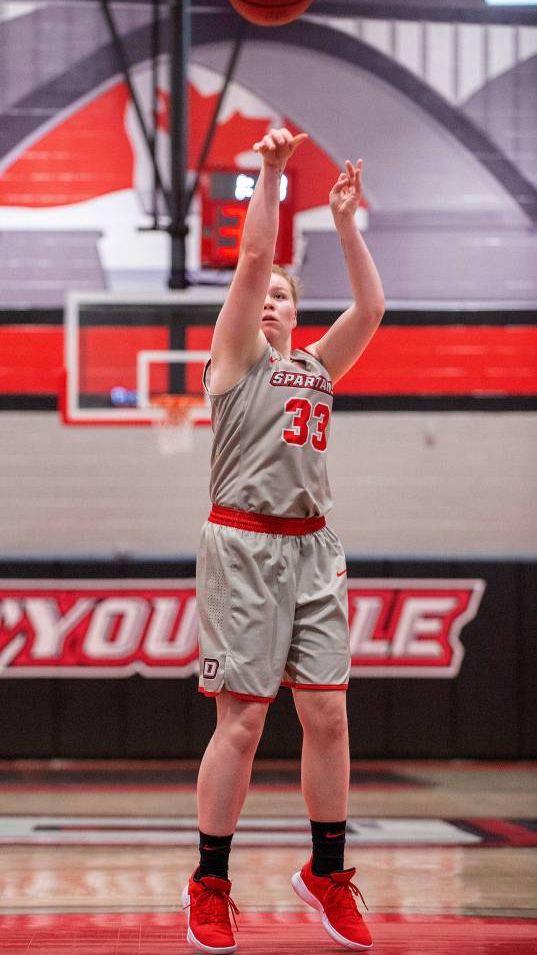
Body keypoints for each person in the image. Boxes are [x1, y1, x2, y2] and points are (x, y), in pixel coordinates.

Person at [183, 128, 385, 953]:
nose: (269, 300)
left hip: (312, 547)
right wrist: (269, 173)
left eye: (282, 298)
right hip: (242, 544)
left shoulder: (317, 368)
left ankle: (326, 873)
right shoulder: (233, 360)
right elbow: (254, 257)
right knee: (241, 725)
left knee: (329, 718)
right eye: (262, 293)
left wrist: (344, 224)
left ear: (298, 315)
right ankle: (209, 882)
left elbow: (370, 309)